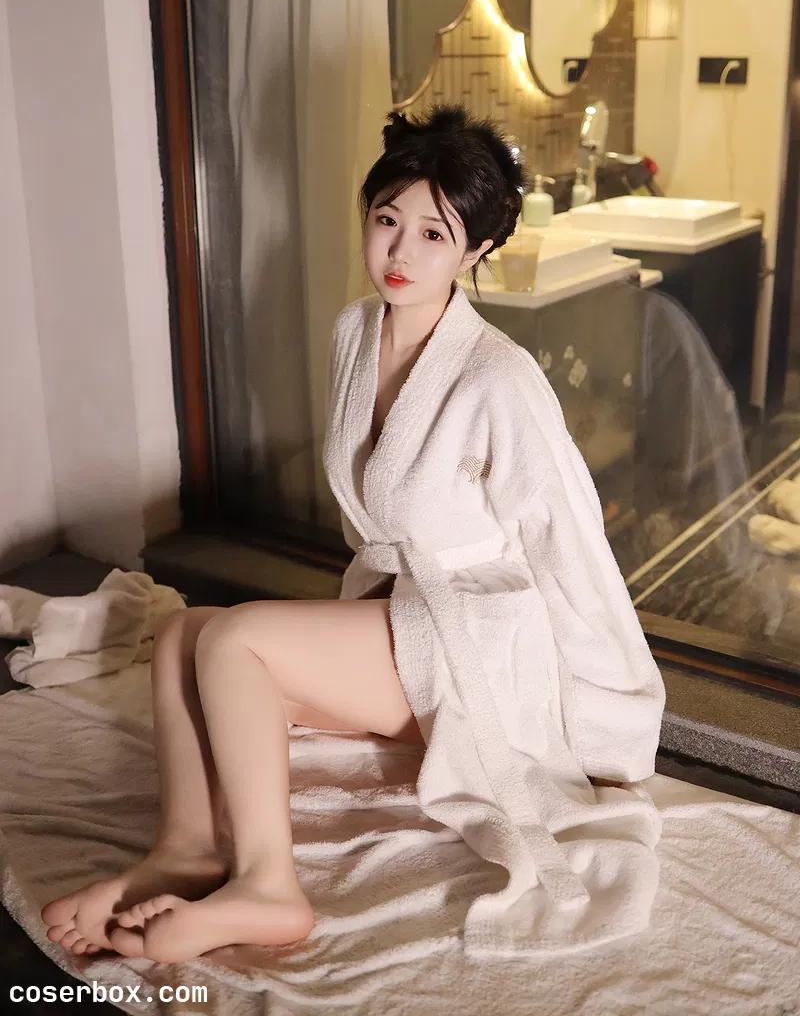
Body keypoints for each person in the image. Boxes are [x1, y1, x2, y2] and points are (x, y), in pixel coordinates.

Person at [42, 105, 665, 965]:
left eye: (435, 234)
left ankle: (269, 884)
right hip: (406, 611)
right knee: (184, 635)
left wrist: (611, 725)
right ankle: (185, 850)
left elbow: (570, 544)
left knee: (237, 642)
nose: (401, 252)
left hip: (478, 640)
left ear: (476, 250)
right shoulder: (354, 331)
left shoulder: (500, 379)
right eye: (386, 220)